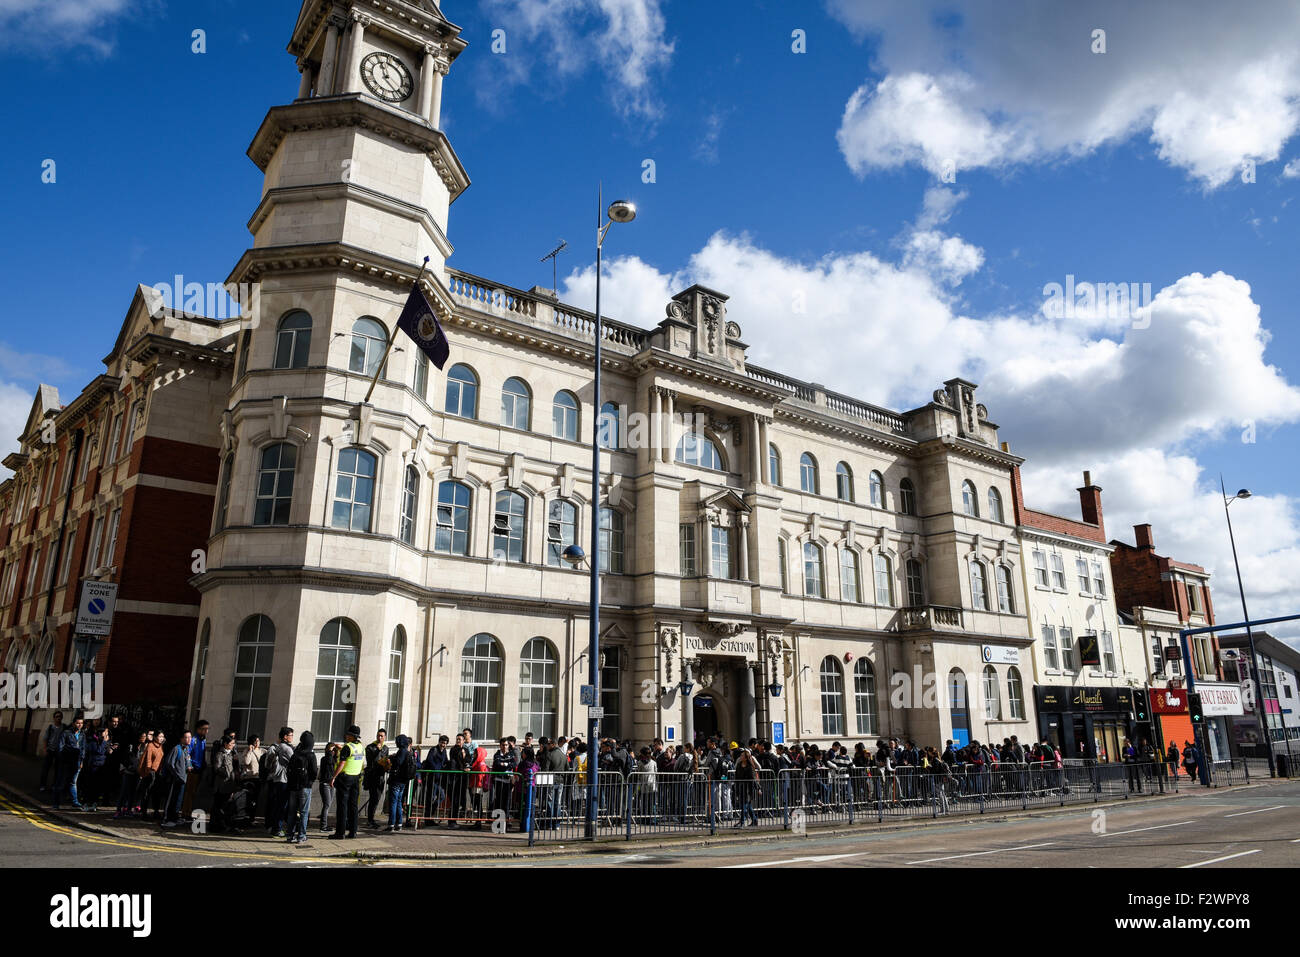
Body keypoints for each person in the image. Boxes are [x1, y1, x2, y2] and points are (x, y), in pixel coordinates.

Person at [329, 725, 365, 840]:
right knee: (353, 806)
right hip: (356, 778)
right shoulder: (360, 747)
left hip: (345, 778)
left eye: (348, 734)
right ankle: (353, 831)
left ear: (351, 736)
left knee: (342, 806)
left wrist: (334, 777)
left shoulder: (347, 747)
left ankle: (340, 833)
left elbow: (342, 763)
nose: (346, 736)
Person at [285, 730, 318, 844]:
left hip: (293, 786)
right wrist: (310, 781)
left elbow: (288, 770)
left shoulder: (295, 754)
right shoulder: (311, 755)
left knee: (292, 811)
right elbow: (314, 771)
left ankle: (289, 835)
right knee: (304, 812)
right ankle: (301, 835)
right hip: (305, 786)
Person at [264, 728, 295, 837]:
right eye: (291, 735)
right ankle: (277, 828)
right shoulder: (286, 748)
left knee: (278, 805)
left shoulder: (278, 747)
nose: (292, 737)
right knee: (282, 806)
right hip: (283, 779)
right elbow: (294, 762)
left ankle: (275, 827)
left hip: (277, 779)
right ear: (285, 737)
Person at [52, 717, 86, 810]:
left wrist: (81, 761)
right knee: (60, 783)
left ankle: (75, 802)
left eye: (81, 723)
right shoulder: (66, 733)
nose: (79, 725)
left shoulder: (82, 734)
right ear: (73, 723)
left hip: (77, 762)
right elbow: (60, 748)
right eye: (78, 723)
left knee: (73, 782)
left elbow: (83, 749)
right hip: (65, 762)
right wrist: (64, 758)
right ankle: (56, 803)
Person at [162, 731, 192, 827]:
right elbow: (169, 763)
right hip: (175, 779)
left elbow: (188, 761)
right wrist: (176, 775)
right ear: (182, 739)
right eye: (187, 737)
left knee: (178, 800)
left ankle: (174, 817)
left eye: (190, 737)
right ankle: (167, 819)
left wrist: (189, 767)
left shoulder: (186, 749)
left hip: (183, 779)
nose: (189, 739)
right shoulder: (177, 749)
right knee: (172, 799)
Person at [386, 735, 416, 832]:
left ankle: (391, 824)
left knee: (394, 802)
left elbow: (398, 762)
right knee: (399, 802)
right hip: (403, 780)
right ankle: (399, 824)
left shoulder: (402, 751)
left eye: (397, 741)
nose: (396, 742)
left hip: (397, 780)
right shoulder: (407, 751)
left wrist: (392, 759)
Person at [212, 734, 240, 832]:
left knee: (228, 806)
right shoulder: (220, 754)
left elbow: (236, 768)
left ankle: (226, 825)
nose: (233, 745)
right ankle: (217, 826)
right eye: (231, 743)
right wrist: (227, 773)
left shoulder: (232, 754)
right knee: (219, 806)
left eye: (234, 743)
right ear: (225, 744)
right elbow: (217, 768)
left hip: (230, 784)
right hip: (222, 784)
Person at [364, 729, 390, 829]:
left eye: (382, 736)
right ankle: (370, 820)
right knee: (373, 797)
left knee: (377, 798)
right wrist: (378, 751)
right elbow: (370, 761)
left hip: (381, 776)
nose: (379, 738)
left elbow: (385, 761)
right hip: (372, 776)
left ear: (385, 737)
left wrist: (388, 765)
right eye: (378, 736)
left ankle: (372, 818)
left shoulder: (386, 748)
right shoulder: (370, 747)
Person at [82, 727, 111, 811]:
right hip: (93, 766)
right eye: (105, 733)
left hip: (101, 767)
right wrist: (105, 743)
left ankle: (94, 803)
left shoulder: (104, 742)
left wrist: (110, 749)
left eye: (107, 733)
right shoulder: (92, 741)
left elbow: (105, 752)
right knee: (90, 786)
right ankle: (86, 803)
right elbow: (99, 751)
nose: (106, 735)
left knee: (97, 787)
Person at [732, 749, 760, 827]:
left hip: (748, 788)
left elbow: (753, 778)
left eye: (742, 756)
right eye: (740, 756)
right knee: (748, 805)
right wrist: (736, 786)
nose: (741, 757)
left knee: (744, 805)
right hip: (741, 787)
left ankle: (742, 821)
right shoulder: (739, 765)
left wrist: (758, 788)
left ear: (746, 757)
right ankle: (754, 820)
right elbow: (736, 777)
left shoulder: (750, 766)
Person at [38, 711, 65, 792]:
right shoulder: (50, 727)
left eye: (60, 716)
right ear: (54, 718)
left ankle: (54, 786)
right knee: (45, 769)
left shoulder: (64, 727)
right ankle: (42, 785)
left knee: (57, 770)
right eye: (57, 716)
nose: (58, 718)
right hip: (50, 750)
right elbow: (45, 739)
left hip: (59, 752)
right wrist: (45, 749)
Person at [318, 742, 339, 833]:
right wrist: (330, 751)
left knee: (328, 804)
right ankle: (323, 826)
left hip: (332, 785)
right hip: (325, 784)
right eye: (332, 750)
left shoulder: (335, 760)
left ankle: (324, 825)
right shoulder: (325, 759)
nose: (333, 752)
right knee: (326, 805)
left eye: (334, 750)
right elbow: (329, 762)